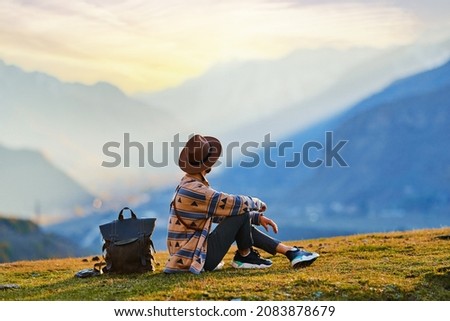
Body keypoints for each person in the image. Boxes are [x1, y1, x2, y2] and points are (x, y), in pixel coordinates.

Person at [164, 134, 319, 274]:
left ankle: (290, 252)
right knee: (240, 209)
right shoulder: (195, 189)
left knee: (240, 212)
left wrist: (256, 218)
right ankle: (246, 256)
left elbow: (218, 215)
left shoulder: (187, 185)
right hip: (193, 258)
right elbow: (231, 203)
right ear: (207, 164)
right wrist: (256, 203)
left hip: (188, 255)